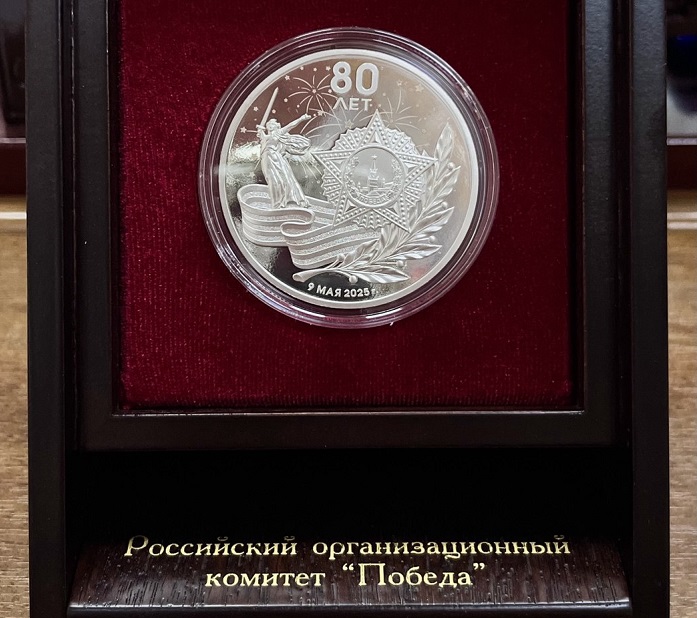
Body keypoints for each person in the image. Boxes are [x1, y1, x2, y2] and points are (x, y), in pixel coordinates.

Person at [257, 114, 311, 209]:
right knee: (271, 179)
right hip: (265, 159)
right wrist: (260, 130)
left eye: (272, 124)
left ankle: (283, 201)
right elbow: (262, 137)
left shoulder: (278, 133)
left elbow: (291, 125)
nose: (270, 125)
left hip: (275, 158)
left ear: (276, 126)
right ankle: (276, 201)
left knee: (281, 179)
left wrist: (301, 118)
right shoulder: (263, 136)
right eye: (268, 124)